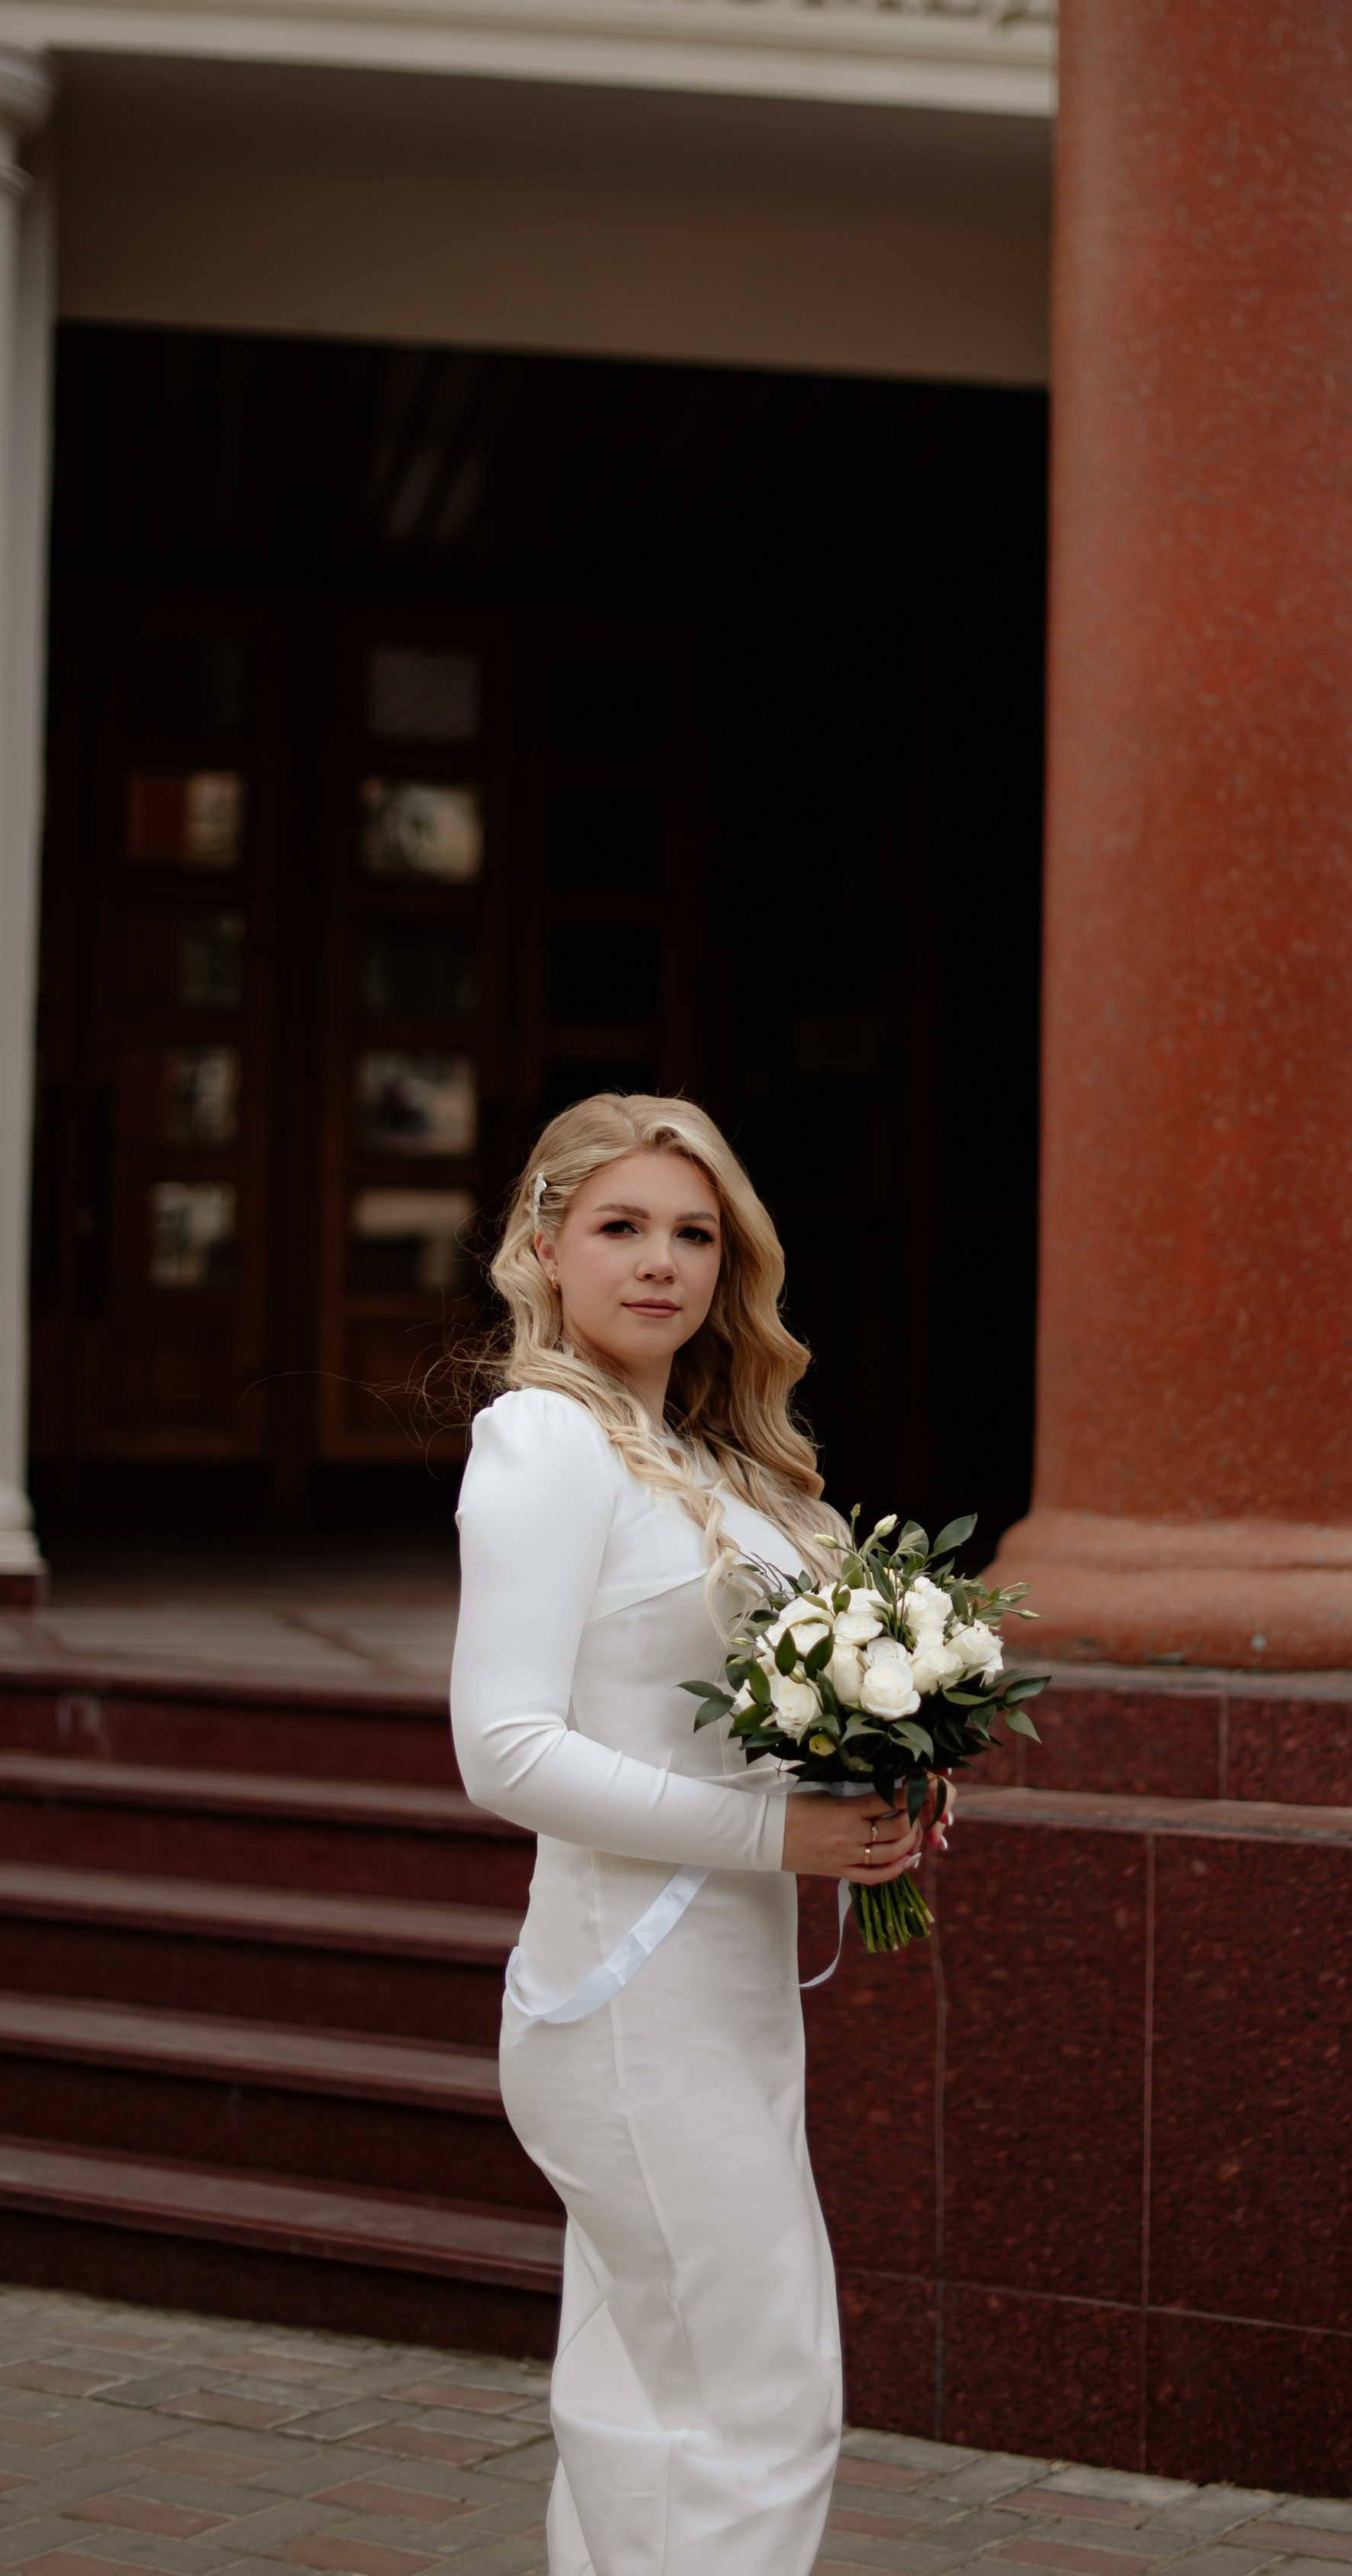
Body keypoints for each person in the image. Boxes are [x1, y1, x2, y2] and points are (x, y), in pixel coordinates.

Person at [450, 1090, 939, 2576]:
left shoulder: (726, 1466)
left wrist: (891, 1752)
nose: (659, 1261)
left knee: (638, 2394)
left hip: (718, 1996)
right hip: (625, 1998)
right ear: (542, 1246)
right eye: (619, 1227)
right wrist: (769, 1840)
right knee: (759, 2397)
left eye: (692, 1233)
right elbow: (505, 1750)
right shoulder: (543, 1440)